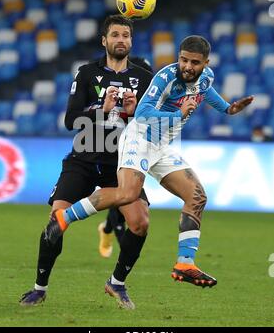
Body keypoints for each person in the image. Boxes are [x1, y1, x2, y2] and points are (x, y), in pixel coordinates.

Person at [44, 35, 254, 305]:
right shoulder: (166, 78)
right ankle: (64, 218)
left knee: (198, 196)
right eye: (183, 60)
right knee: (127, 194)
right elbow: (142, 113)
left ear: (205, 63)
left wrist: (227, 109)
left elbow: (205, 91)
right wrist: (178, 115)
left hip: (162, 146)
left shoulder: (205, 77)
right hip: (140, 138)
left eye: (194, 62)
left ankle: (185, 263)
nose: (187, 66)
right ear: (178, 57)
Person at [19, 15, 153, 309]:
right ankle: (39, 288)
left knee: (140, 223)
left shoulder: (144, 79)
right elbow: (70, 120)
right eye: (115, 35)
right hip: (84, 158)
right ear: (104, 41)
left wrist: (133, 114)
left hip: (121, 163)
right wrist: (100, 109)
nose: (121, 40)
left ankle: (116, 283)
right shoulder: (87, 73)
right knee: (57, 220)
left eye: (126, 35)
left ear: (131, 41)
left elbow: (151, 125)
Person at [98, 56, 154, 258]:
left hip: (132, 152)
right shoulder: (112, 86)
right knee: (121, 198)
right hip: (109, 150)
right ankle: (109, 233)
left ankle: (106, 230)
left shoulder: (147, 89)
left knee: (124, 197)